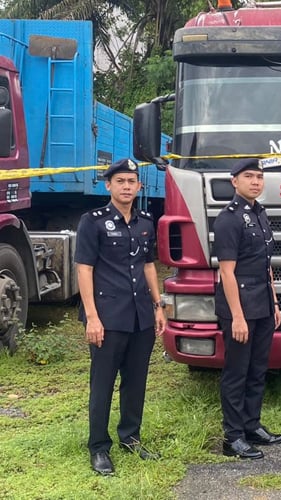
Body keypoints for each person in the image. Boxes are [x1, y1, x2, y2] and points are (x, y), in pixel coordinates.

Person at [75, 158, 166, 476]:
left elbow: (148, 265)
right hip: (108, 316)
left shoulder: (145, 222)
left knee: (136, 381)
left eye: (131, 181)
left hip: (140, 316)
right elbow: (84, 270)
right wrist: (92, 317)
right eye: (120, 181)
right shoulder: (93, 222)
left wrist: (158, 305)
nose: (127, 187)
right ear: (108, 185)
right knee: (102, 384)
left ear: (139, 186)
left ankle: (130, 437)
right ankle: (99, 447)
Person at [214, 157, 281, 460]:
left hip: (263, 305)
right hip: (240, 308)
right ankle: (232, 437)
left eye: (259, 177)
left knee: (257, 370)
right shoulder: (228, 219)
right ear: (235, 181)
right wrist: (237, 317)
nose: (255, 182)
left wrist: (275, 302)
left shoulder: (260, 214)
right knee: (237, 372)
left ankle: (251, 425)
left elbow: (265, 264)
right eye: (249, 176)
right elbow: (227, 272)